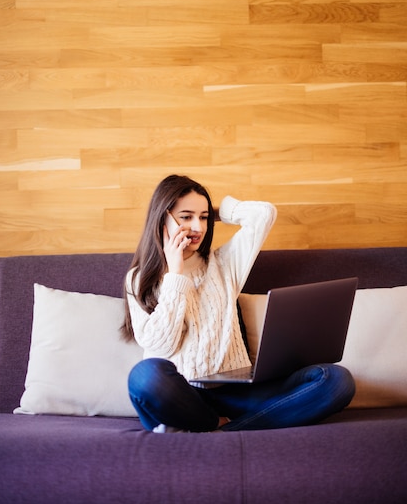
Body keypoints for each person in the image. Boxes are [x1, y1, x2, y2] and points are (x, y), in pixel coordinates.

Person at [122, 174, 355, 432]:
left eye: (204, 217)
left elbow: (263, 215)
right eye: (186, 217)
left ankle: (224, 429)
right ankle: (207, 422)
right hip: (181, 396)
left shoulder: (223, 263)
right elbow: (161, 345)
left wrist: (219, 212)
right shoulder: (139, 278)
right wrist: (175, 275)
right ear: (162, 218)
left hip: (234, 392)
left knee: (336, 379)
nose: (198, 228)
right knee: (144, 377)